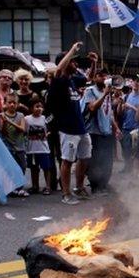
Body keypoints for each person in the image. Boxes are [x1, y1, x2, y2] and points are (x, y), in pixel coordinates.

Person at [47, 42, 89, 205]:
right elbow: (58, 70)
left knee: (85, 157)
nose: (76, 64)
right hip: (68, 129)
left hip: (81, 128)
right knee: (67, 160)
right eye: (72, 61)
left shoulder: (72, 81)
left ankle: (79, 187)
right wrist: (72, 50)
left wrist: (92, 63)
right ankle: (66, 193)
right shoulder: (59, 81)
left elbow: (87, 79)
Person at [82, 65, 119, 196]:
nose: (103, 78)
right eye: (100, 75)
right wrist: (105, 94)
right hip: (94, 132)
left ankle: (104, 183)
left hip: (106, 131)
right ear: (95, 77)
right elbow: (92, 108)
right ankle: (95, 186)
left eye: (105, 76)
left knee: (107, 160)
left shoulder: (107, 92)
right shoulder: (90, 91)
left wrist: (116, 127)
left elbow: (109, 113)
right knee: (95, 161)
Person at [0, 93, 29, 198]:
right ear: (5, 104)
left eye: (14, 103)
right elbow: (2, 131)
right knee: (10, 168)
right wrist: (3, 121)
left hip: (20, 146)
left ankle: (19, 187)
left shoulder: (20, 115)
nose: (12, 105)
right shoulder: (2, 115)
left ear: (17, 104)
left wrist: (9, 122)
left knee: (22, 166)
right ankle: (11, 188)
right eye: (9, 102)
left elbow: (22, 129)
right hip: (8, 146)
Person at [25, 99, 52, 195]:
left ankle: (48, 186)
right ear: (31, 108)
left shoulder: (44, 118)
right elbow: (24, 131)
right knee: (34, 168)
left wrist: (46, 134)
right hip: (32, 149)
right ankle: (35, 186)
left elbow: (49, 130)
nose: (39, 109)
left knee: (46, 167)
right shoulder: (27, 119)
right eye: (37, 106)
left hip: (43, 148)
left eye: (41, 106)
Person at [118, 80, 139, 174]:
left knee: (136, 151)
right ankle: (127, 167)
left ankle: (135, 172)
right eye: (134, 81)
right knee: (125, 149)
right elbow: (119, 113)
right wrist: (121, 104)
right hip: (126, 126)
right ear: (131, 83)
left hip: (137, 127)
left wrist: (132, 107)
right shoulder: (126, 96)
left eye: (138, 82)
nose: (136, 83)